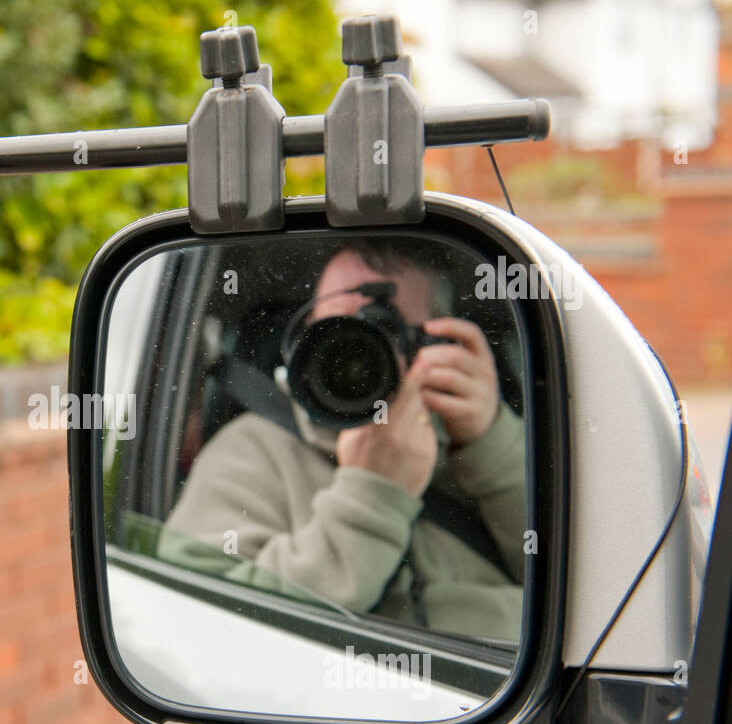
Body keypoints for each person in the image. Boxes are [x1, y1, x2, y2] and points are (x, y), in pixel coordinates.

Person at [157, 239, 527, 641]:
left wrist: (492, 445)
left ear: (435, 345)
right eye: (332, 328)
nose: (352, 350)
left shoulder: (471, 442)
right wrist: (373, 495)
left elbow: (569, 573)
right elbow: (200, 628)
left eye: (385, 328)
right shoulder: (251, 451)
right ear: (301, 341)